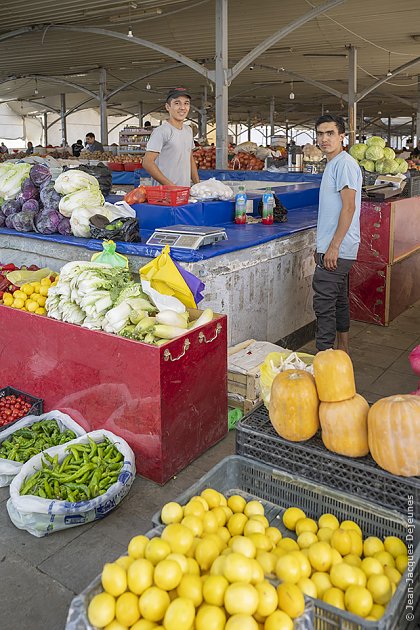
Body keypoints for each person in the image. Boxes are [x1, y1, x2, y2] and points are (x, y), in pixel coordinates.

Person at [312, 114, 362, 354]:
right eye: (320, 134)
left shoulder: (344, 164)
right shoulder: (334, 163)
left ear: (342, 136)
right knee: (339, 300)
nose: (324, 138)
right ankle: (342, 352)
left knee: (324, 305)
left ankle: (324, 360)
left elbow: (349, 206)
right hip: (334, 247)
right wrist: (323, 245)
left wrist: (333, 247)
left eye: (330, 133)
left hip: (338, 249)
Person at [143, 88, 199, 187]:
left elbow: (189, 158)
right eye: (177, 103)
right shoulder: (162, 131)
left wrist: (197, 185)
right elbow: (147, 162)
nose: (182, 107)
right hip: (165, 195)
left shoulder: (188, 130)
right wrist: (171, 187)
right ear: (168, 107)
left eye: (186, 103)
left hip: (184, 192)